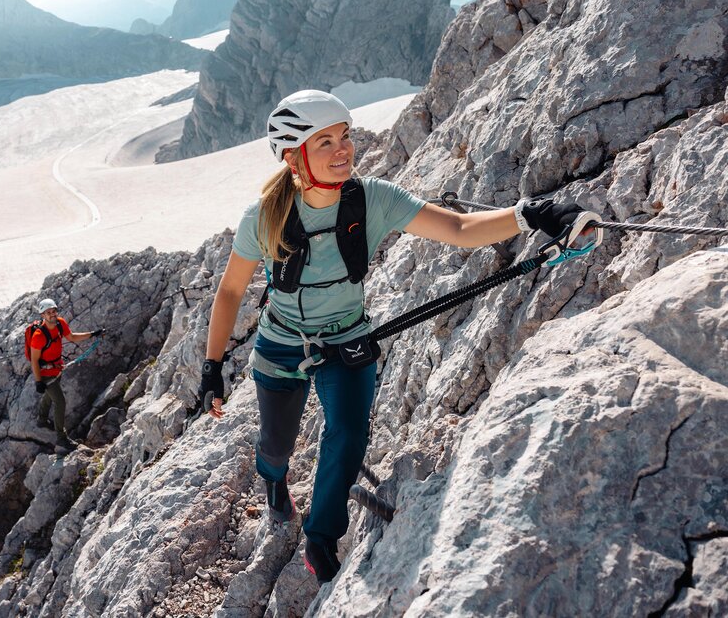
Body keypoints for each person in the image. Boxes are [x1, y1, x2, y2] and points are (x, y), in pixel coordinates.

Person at [199, 90, 588, 584]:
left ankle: (320, 538)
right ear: (294, 157)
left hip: (346, 339)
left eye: (346, 136)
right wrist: (212, 367)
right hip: (281, 346)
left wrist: (530, 214)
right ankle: (274, 483)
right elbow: (231, 291)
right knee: (276, 447)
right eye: (325, 142)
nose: (343, 150)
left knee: (348, 432)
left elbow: (459, 227)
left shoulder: (372, 199)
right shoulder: (265, 217)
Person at [31, 298, 105, 450]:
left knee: (50, 394)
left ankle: (42, 419)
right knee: (60, 401)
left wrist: (92, 334)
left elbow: (71, 337)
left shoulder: (60, 323)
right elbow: (34, 361)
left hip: (57, 368)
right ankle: (61, 438)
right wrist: (38, 381)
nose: (52, 315)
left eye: (53, 311)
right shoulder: (38, 336)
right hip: (46, 373)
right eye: (48, 313)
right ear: (42, 315)